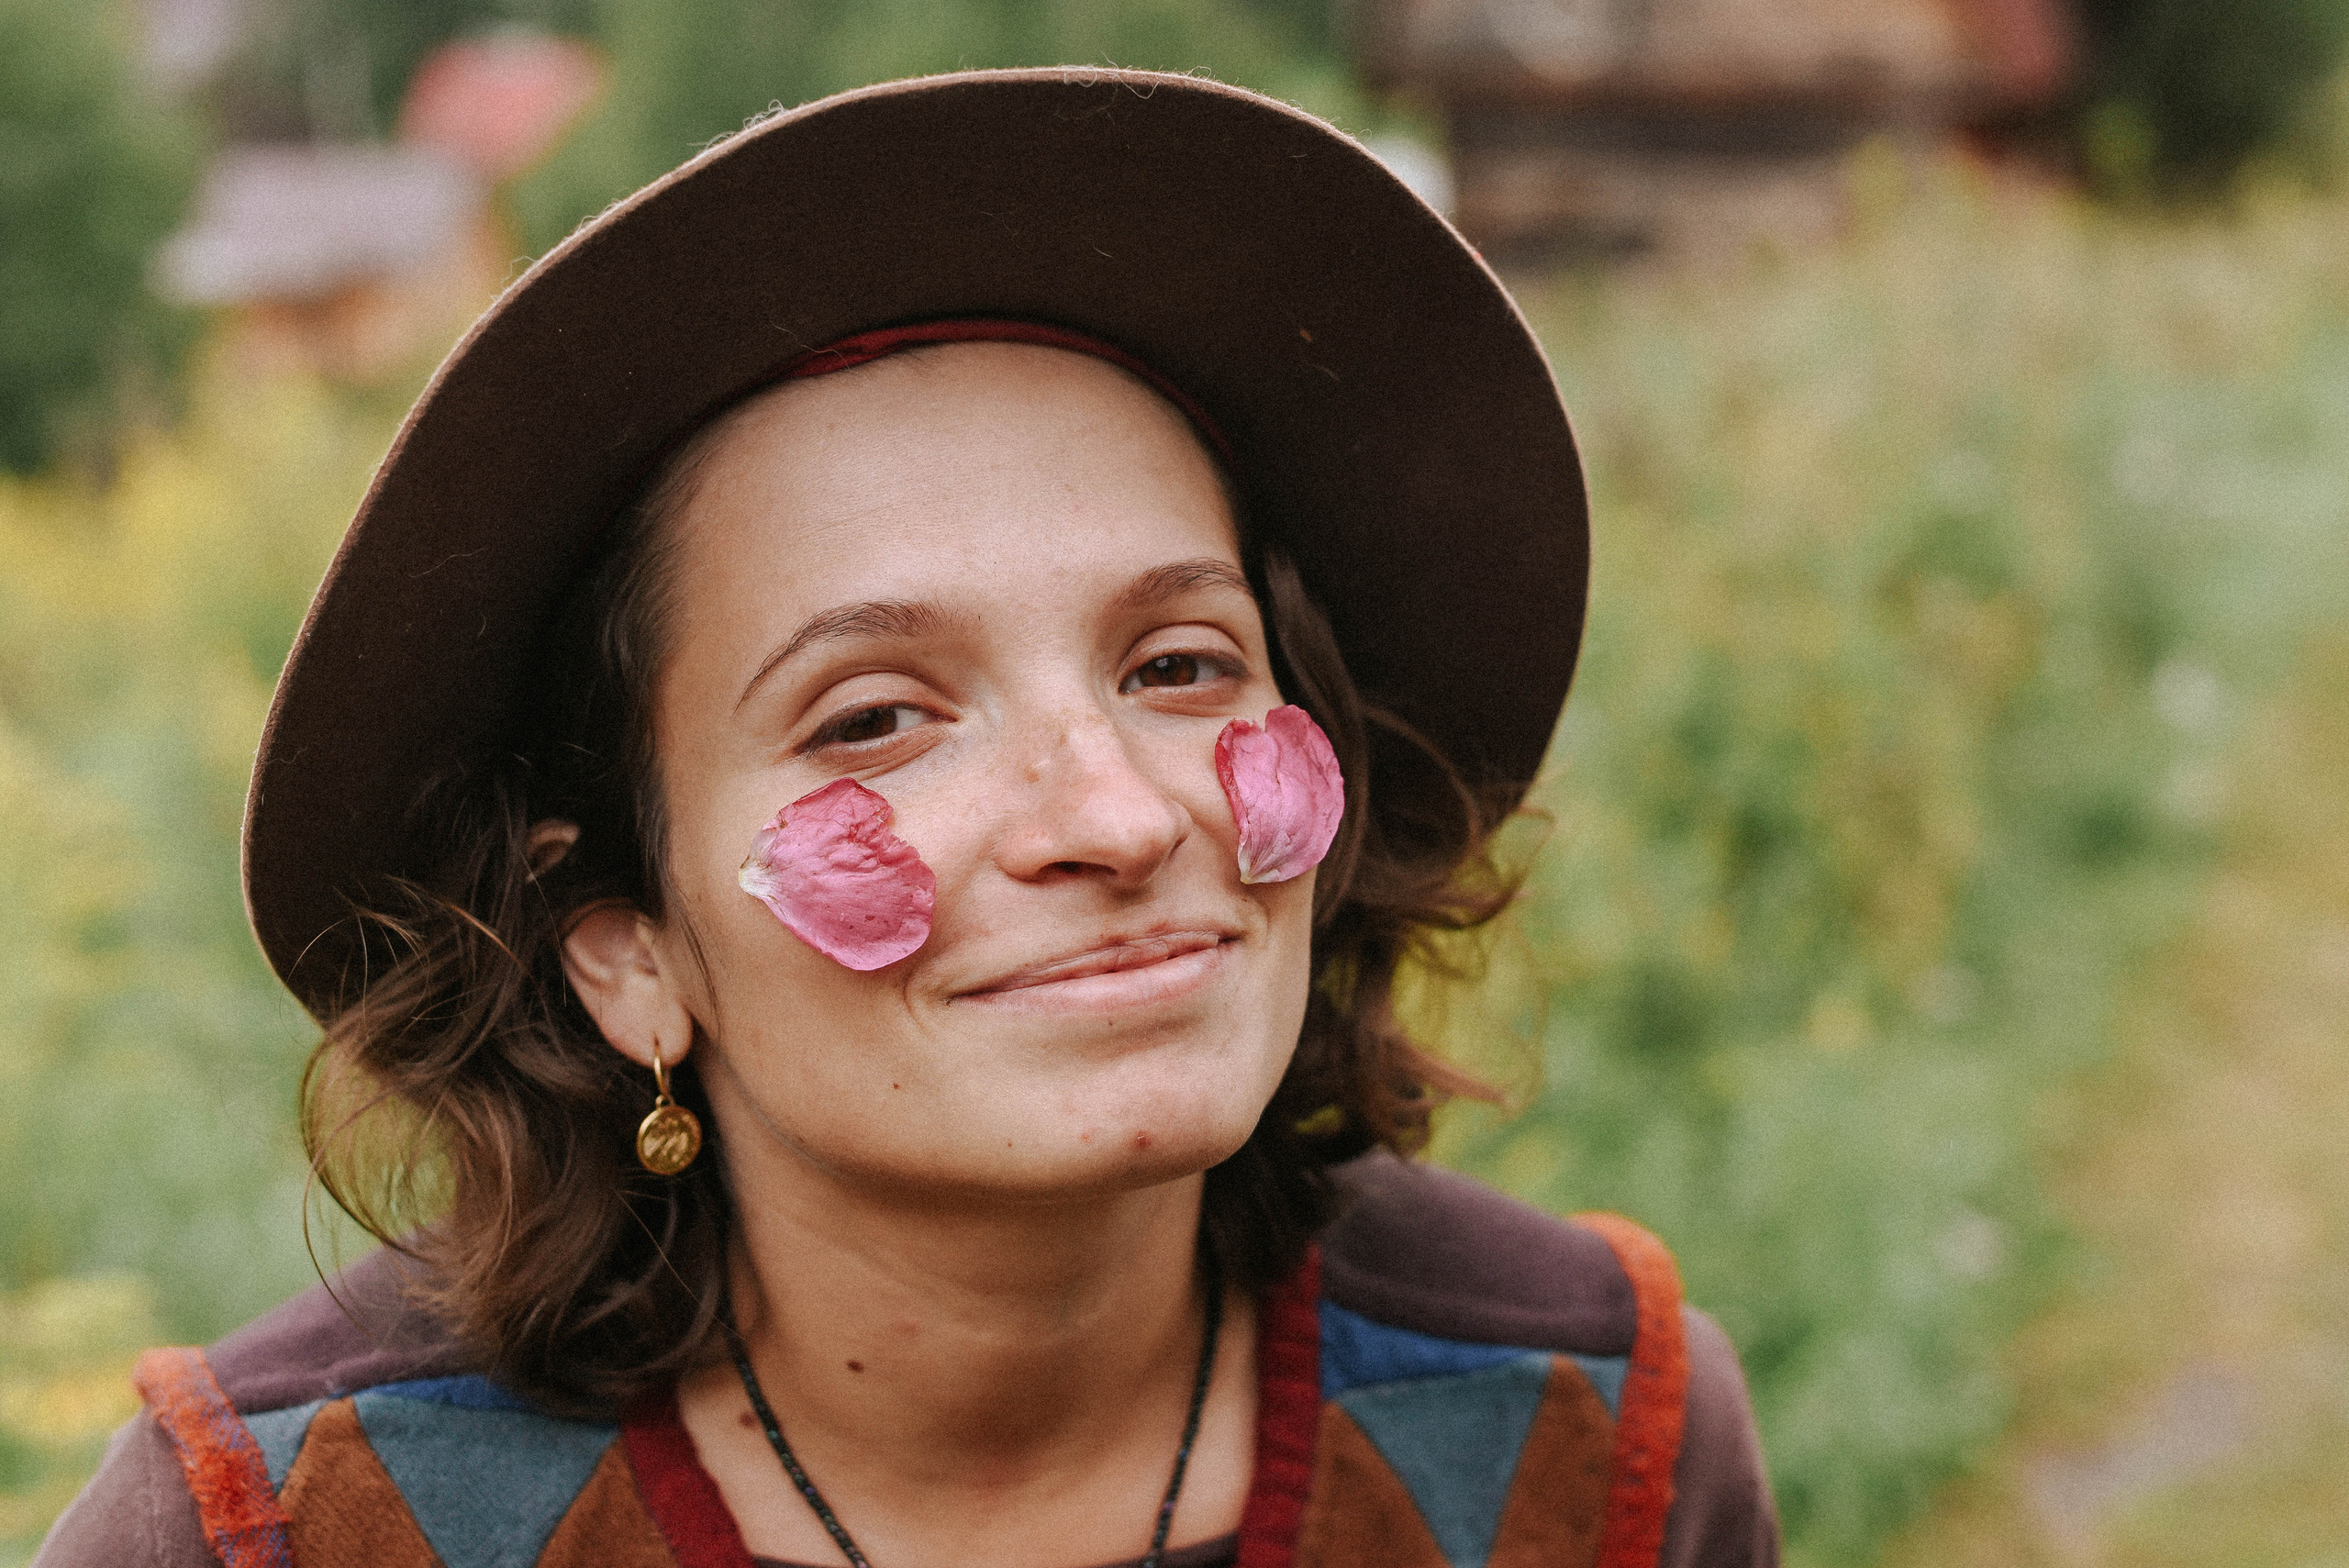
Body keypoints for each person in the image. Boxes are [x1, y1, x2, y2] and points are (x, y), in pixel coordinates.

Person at [37, 68, 1777, 1568]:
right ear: (628, 949)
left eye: (1180, 663)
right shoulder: (282, 1530)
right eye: (875, 719)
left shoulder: (1592, 1441)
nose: (1112, 814)